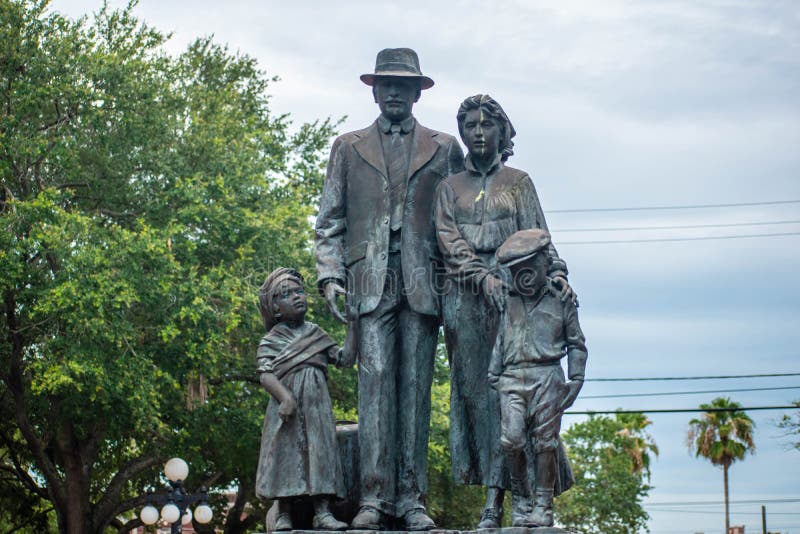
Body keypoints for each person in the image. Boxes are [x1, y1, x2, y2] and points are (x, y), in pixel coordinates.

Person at [314, 48, 464, 530]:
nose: (395, 92)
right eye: (387, 84)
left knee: (416, 388)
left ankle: (412, 498)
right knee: (374, 386)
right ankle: (375, 499)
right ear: (375, 90)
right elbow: (329, 221)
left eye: (404, 85)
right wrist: (330, 274)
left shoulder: (444, 148)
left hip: (424, 281)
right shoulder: (347, 146)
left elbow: (458, 217)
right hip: (367, 280)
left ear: (418, 92)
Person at [433, 94, 574, 528]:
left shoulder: (518, 182)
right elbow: (448, 241)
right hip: (465, 298)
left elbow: (540, 238)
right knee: (479, 399)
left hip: (518, 300)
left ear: (501, 131)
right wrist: (482, 277)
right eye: (469, 125)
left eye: (485, 125)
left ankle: (524, 498)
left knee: (517, 400)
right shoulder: (448, 187)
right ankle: (491, 499)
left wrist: (559, 277)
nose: (477, 132)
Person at [489, 229, 587, 527]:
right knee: (512, 440)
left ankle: (543, 503)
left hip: (548, 375)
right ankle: (521, 498)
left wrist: (576, 378)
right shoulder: (510, 300)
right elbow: (501, 338)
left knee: (546, 442)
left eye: (528, 268)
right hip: (512, 377)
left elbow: (576, 343)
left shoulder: (561, 299)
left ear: (545, 263)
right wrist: (495, 373)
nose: (523, 276)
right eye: (516, 270)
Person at [254, 268, 348, 531]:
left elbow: (342, 358)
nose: (297, 297)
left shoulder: (315, 333)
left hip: (317, 406)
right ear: (274, 308)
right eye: (287, 294)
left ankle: (323, 511)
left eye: (299, 291)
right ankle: (284, 512)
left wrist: (356, 326)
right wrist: (285, 397)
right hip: (287, 409)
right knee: (286, 452)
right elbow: (265, 373)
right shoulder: (272, 339)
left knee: (321, 452)